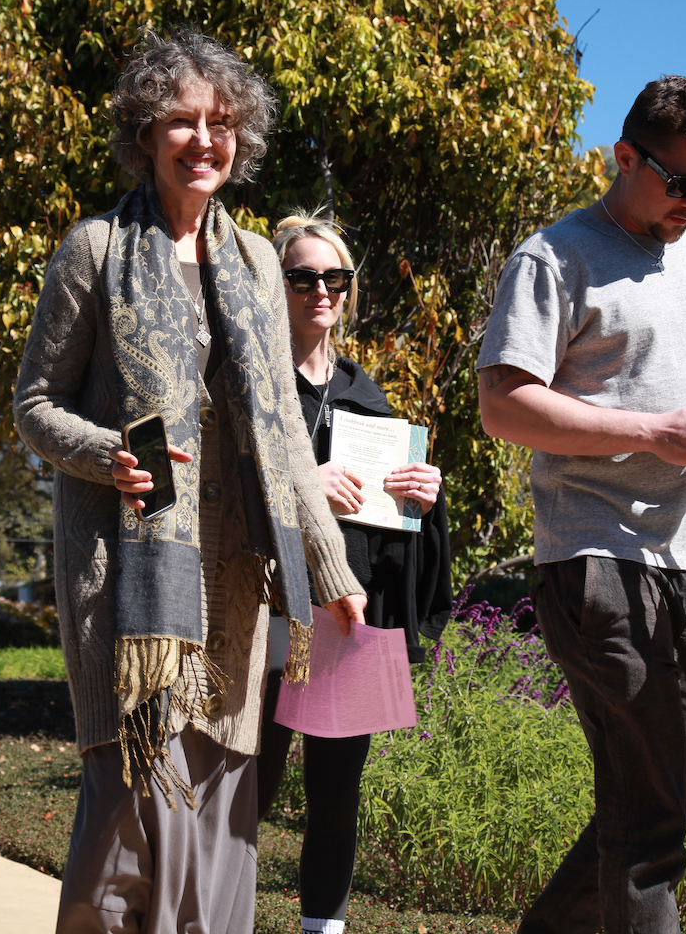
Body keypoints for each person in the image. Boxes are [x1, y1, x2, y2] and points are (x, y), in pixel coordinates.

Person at [13, 31, 365, 934]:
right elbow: (35, 405)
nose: (205, 140)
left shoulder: (255, 264)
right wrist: (108, 454)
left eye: (222, 123)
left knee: (216, 831)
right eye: (181, 121)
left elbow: (282, 433)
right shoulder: (95, 250)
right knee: (128, 834)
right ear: (144, 132)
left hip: (234, 588)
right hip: (127, 586)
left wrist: (330, 571)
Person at [476, 76, 686, 934]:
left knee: (660, 809)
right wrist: (653, 432)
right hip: (599, 559)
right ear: (624, 157)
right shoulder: (554, 257)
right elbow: (502, 407)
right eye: (680, 181)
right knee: (650, 818)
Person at [257, 210, 453, 934]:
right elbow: (217, 490)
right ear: (273, 285)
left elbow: (398, 534)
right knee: (247, 788)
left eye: (335, 278)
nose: (321, 291)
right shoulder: (252, 385)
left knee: (338, 795)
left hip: (348, 614)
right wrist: (306, 481)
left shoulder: (368, 401)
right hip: (265, 611)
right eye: (302, 277)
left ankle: (324, 928)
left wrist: (426, 499)